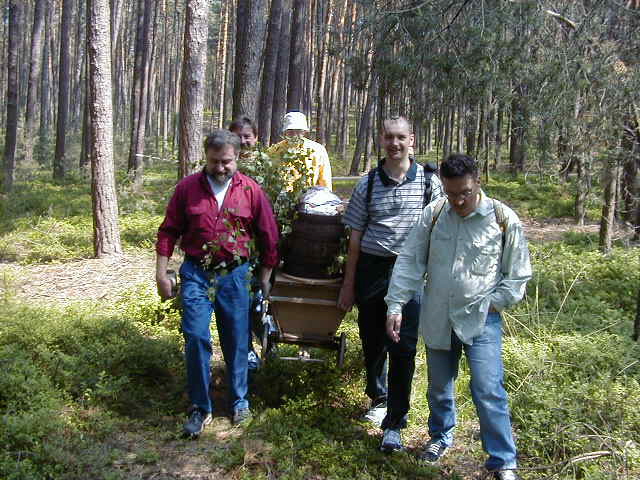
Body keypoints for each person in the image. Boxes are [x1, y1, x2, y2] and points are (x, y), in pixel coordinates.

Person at [385, 154, 532, 480]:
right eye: (452, 193)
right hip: (438, 316)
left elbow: (518, 274)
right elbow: (410, 261)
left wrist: (495, 302)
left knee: (488, 388)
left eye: (464, 192)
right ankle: (440, 437)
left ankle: (503, 460)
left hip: (482, 321)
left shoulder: (501, 218)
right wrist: (395, 305)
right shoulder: (435, 214)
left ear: (478, 181)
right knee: (439, 387)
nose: (459, 200)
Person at [156, 130, 279, 436]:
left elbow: (269, 236)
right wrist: (161, 272)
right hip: (197, 273)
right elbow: (168, 231)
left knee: (237, 340)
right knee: (196, 337)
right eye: (215, 161)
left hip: (236, 276)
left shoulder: (250, 190)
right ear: (205, 157)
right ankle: (200, 405)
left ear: (238, 158)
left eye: (227, 162)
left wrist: (264, 276)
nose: (221, 168)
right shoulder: (187, 189)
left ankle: (239, 401)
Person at [338, 116, 443, 453]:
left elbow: (440, 235)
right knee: (373, 339)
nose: (395, 144)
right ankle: (378, 396)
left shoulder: (429, 182)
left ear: (412, 139)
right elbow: (354, 239)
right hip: (372, 269)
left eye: (401, 138)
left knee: (404, 346)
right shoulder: (367, 183)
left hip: (410, 273)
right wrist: (348, 283)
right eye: (388, 138)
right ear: (381, 140)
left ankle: (395, 422)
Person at [267, 111, 333, 190]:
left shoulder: (318, 150)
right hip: (280, 198)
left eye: (298, 131)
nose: (295, 135)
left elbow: (325, 180)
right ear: (285, 132)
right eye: (291, 132)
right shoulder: (274, 150)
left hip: (309, 198)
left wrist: (326, 198)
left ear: (304, 132)